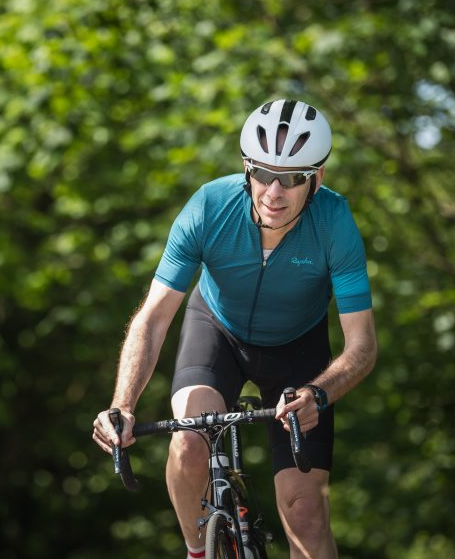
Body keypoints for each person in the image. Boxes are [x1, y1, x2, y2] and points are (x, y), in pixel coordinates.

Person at [92, 99, 378, 559]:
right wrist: (122, 403)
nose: (273, 192)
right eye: (262, 173)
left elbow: (362, 345)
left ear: (317, 179)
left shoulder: (335, 223)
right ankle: (197, 552)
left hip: (297, 353)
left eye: (291, 179)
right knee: (188, 444)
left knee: (305, 512)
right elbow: (154, 316)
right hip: (217, 332)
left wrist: (319, 393)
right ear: (245, 168)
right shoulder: (209, 206)